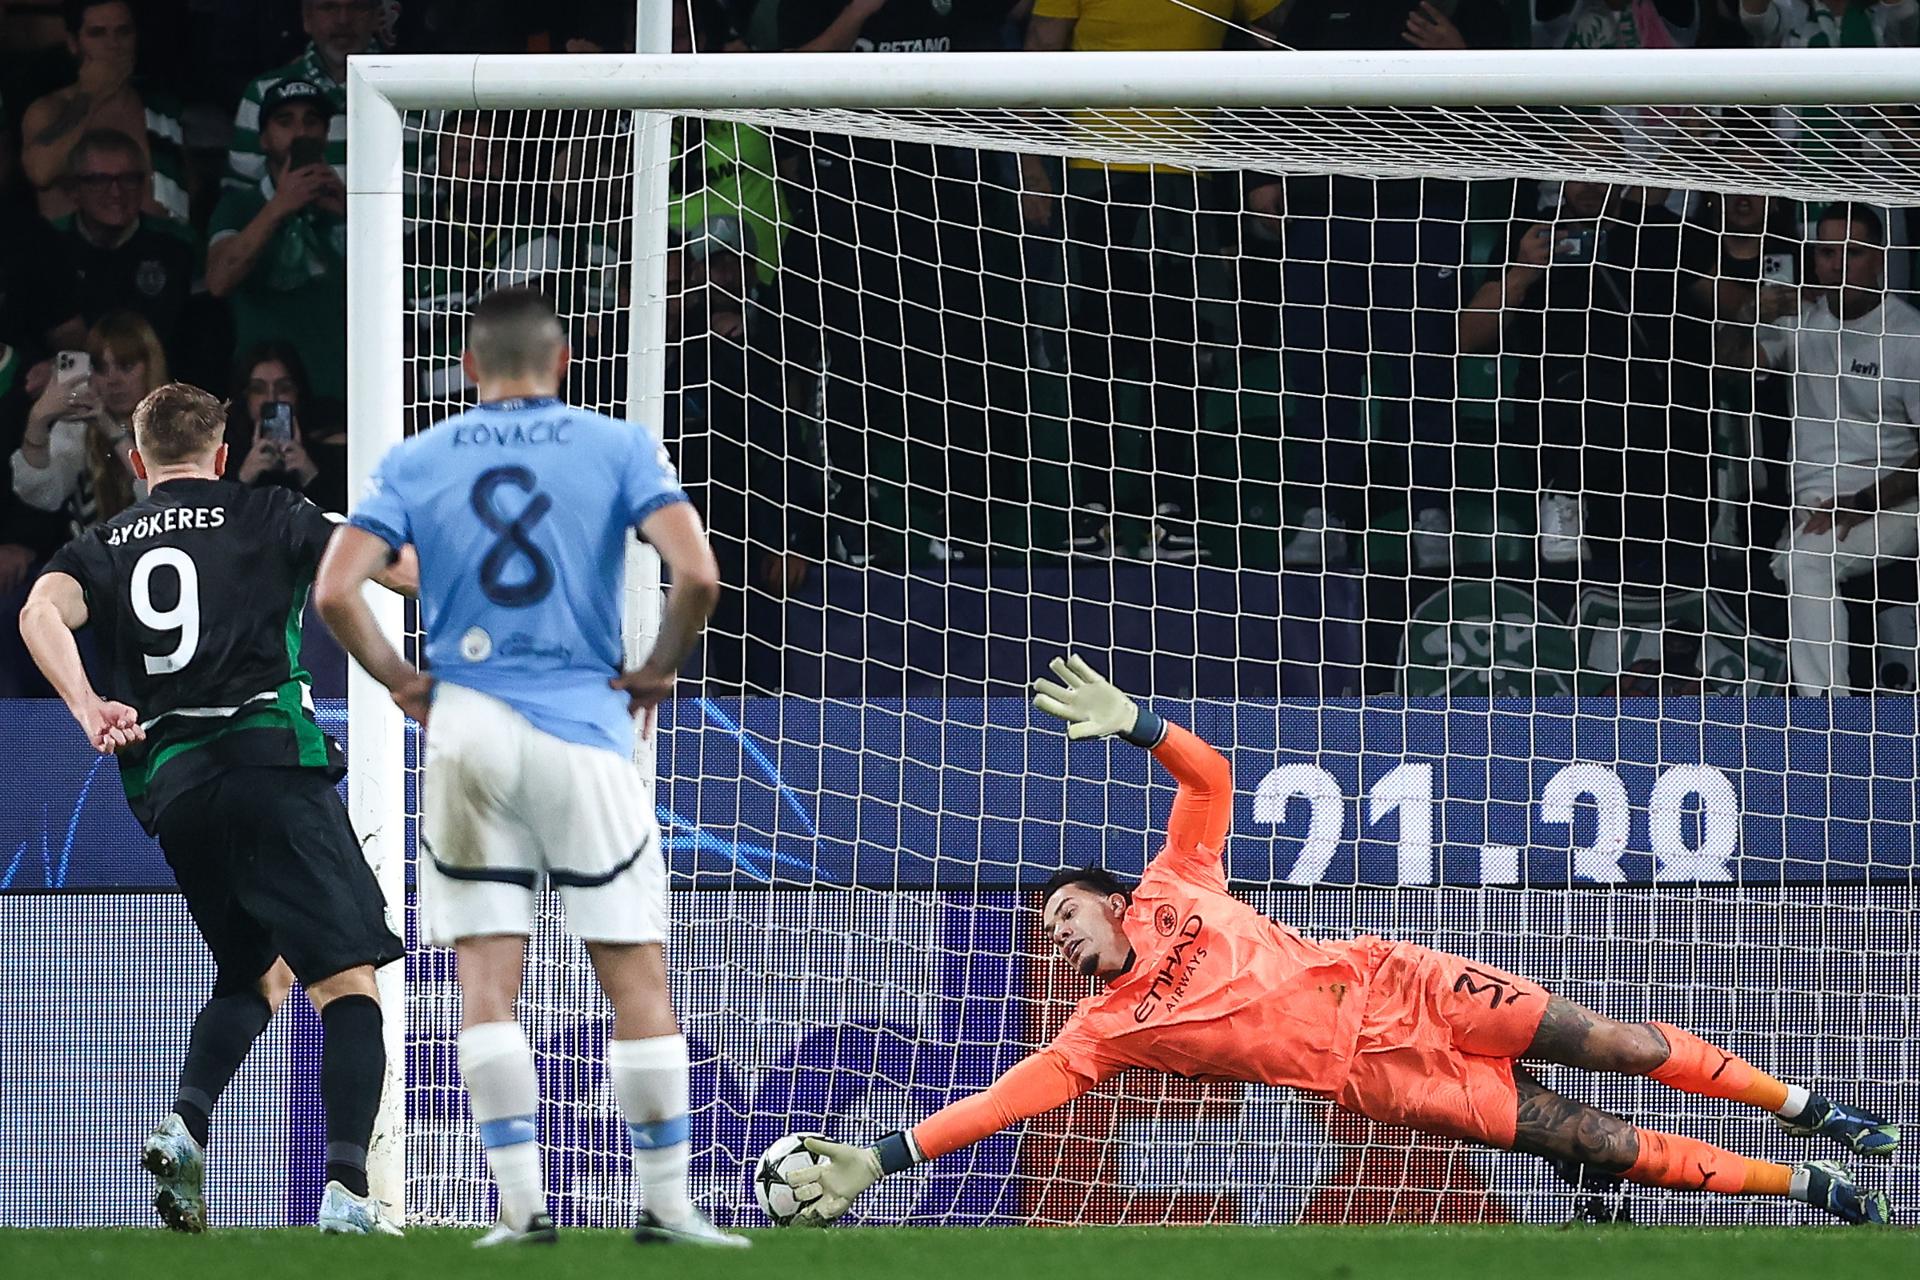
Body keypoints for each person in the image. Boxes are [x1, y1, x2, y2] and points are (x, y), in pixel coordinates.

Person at [784, 654, 1897, 1226]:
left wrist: (1137, 721)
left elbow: (1213, 774)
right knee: (1597, 1135)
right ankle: (1805, 1182)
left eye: (1063, 909)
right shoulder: (1104, 1031)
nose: (1057, 931)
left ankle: (1815, 1106)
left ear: (1107, 895)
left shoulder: (1178, 875)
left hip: (1402, 980)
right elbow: (1003, 1099)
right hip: (1381, 1075)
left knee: (1615, 1042)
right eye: (1047, 933)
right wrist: (880, 1157)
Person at [314, 287, 740, 1248]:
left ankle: (519, 1212)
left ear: (469, 370)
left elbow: (337, 588)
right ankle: (666, 1208)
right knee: (633, 974)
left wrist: (398, 680)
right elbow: (701, 576)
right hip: (584, 726)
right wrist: (657, 671)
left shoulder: (418, 458)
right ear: (559, 365)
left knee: (484, 978)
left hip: (466, 729)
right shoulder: (614, 444)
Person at [15, 381, 413, 1235]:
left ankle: (185, 1124)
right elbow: (393, 569)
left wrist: (87, 705)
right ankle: (347, 1194)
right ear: (222, 455)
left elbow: (39, 612)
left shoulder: (105, 543)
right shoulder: (271, 510)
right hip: (270, 762)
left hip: (178, 791)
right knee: (349, 983)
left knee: (261, 972)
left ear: (136, 462)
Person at [1022, 0, 1290, 561]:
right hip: (1093, 175)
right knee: (1089, 349)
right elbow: (1041, 48)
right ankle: (1092, 509)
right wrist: (1031, 161)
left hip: (1184, 180)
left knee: (1180, 355)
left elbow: (1275, 26)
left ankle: (1172, 510)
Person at [1459, 177, 1718, 583]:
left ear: (1621, 175)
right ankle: (1564, 493)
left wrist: (1767, 302)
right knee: (1590, 387)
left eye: (1599, 170)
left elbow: (1727, 299)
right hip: (1558, 415)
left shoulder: (1661, 231)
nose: (1588, 184)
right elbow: (1469, 335)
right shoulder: (1532, 231)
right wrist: (1523, 273)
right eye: (1578, 170)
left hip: (1655, 424)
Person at [1757, 203, 1920, 694]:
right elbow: (1731, 367)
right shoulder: (1801, 322)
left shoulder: (1910, 337)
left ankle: (1827, 716)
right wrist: (1750, 314)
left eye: (1851, 252)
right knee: (1795, 557)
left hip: (1898, 503)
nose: (1836, 263)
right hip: (1820, 507)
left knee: (1805, 560)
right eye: (1827, 251)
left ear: (1879, 260)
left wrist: (1862, 503)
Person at [208, 79, 349, 402]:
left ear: (326, 135)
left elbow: (394, 295)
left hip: (341, 396)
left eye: (311, 121)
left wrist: (350, 216)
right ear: (263, 139)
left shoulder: (348, 205)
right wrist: (277, 209)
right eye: (285, 121)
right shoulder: (239, 207)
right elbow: (219, 280)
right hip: (264, 397)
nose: (300, 132)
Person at [20, 1, 190, 224]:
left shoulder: (162, 108)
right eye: (97, 34)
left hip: (162, 249)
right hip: (75, 255)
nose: (113, 44)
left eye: (124, 32)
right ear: (74, 43)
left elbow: (183, 196)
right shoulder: (49, 109)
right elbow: (41, 172)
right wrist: (91, 95)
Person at [9, 310, 168, 542]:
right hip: (93, 567)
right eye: (102, 369)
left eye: (126, 366)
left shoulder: (176, 424)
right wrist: (38, 419)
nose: (113, 380)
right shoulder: (79, 427)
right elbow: (43, 494)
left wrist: (112, 430)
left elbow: (163, 498)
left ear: (150, 365)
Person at [55, 129, 195, 353]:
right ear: (74, 190)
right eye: (100, 180)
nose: (116, 192)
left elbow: (199, 337)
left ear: (144, 185)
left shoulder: (178, 247)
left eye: (128, 179)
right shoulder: (47, 247)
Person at [227, 0, 382, 190]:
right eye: (329, 7)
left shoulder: (417, 91)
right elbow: (238, 205)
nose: (343, 20)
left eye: (358, 7)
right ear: (307, 18)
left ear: (377, 16)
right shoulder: (262, 92)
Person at [224, 341, 348, 512]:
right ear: (245, 396)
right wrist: (244, 477)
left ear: (298, 393)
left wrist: (309, 473)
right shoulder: (227, 451)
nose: (271, 398)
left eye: (283, 388)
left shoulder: (323, 447)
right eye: (258, 389)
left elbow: (343, 517)